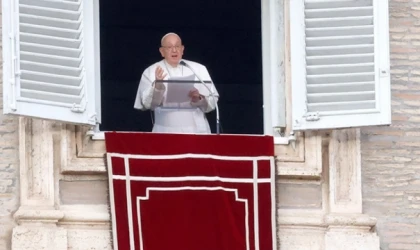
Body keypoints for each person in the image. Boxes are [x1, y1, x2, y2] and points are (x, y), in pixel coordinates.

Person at [134, 32, 219, 134]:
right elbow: (147, 104)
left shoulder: (199, 69)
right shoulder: (151, 71)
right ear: (162, 51)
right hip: (165, 130)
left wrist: (199, 99)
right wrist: (158, 87)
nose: (174, 50)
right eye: (169, 47)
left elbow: (212, 102)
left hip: (197, 130)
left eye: (177, 46)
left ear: (182, 49)